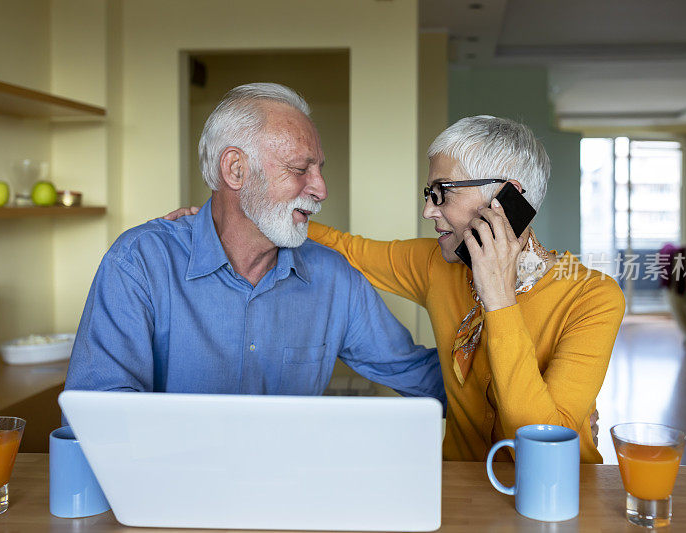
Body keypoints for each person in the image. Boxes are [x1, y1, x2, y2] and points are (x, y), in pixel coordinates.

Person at [168, 115, 624, 463]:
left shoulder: (593, 297)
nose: (429, 211)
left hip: (561, 498)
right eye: (427, 193)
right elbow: (347, 248)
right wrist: (233, 217)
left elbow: (542, 446)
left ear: (507, 196)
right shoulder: (437, 265)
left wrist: (499, 298)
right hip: (461, 491)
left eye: (442, 192)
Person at [64, 83, 445, 406]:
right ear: (235, 169)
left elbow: (421, 378)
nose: (321, 189)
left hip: (288, 490)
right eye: (300, 169)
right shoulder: (139, 263)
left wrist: (501, 316)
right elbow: (97, 418)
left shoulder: (335, 279)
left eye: (319, 170)